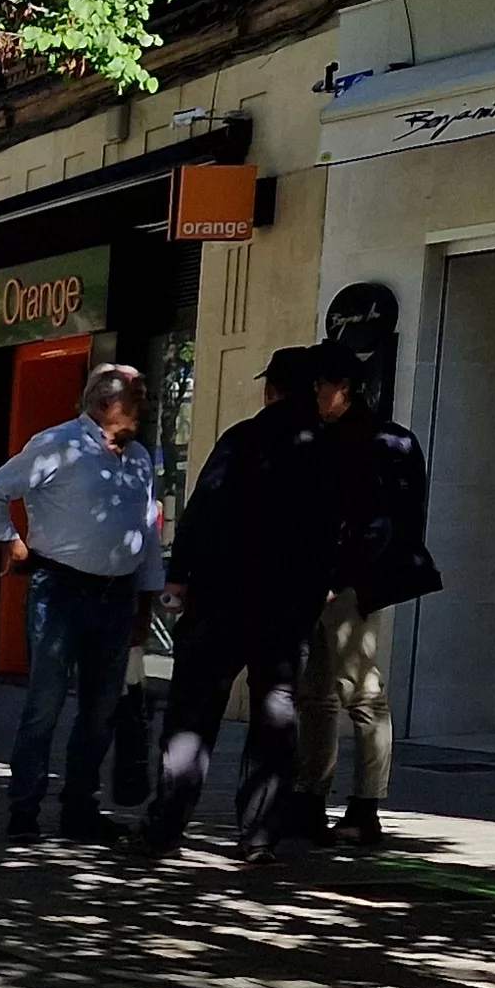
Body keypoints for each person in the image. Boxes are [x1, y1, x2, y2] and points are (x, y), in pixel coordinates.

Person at [133, 348, 328, 861]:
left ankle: (166, 825)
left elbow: (202, 511)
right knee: (276, 715)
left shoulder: (243, 439)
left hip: (224, 596)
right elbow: (340, 528)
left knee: (194, 712)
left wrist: (178, 579)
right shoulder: (326, 450)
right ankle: (259, 833)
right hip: (290, 605)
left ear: (272, 390)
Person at [0, 364, 162, 840]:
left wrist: (147, 599)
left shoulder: (137, 458)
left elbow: (148, 529)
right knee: (45, 705)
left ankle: (81, 808)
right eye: (135, 399)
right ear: (104, 405)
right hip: (61, 591)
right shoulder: (57, 444)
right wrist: (9, 541)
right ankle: (25, 809)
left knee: (101, 710)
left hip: (116, 594)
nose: (144, 408)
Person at [295, 351, 438, 847]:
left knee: (359, 692)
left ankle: (363, 805)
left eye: (322, 383)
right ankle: (313, 797)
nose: (315, 393)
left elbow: (380, 523)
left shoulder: (371, 443)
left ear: (346, 388)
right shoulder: (353, 438)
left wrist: (344, 577)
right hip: (332, 580)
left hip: (347, 584)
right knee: (318, 693)